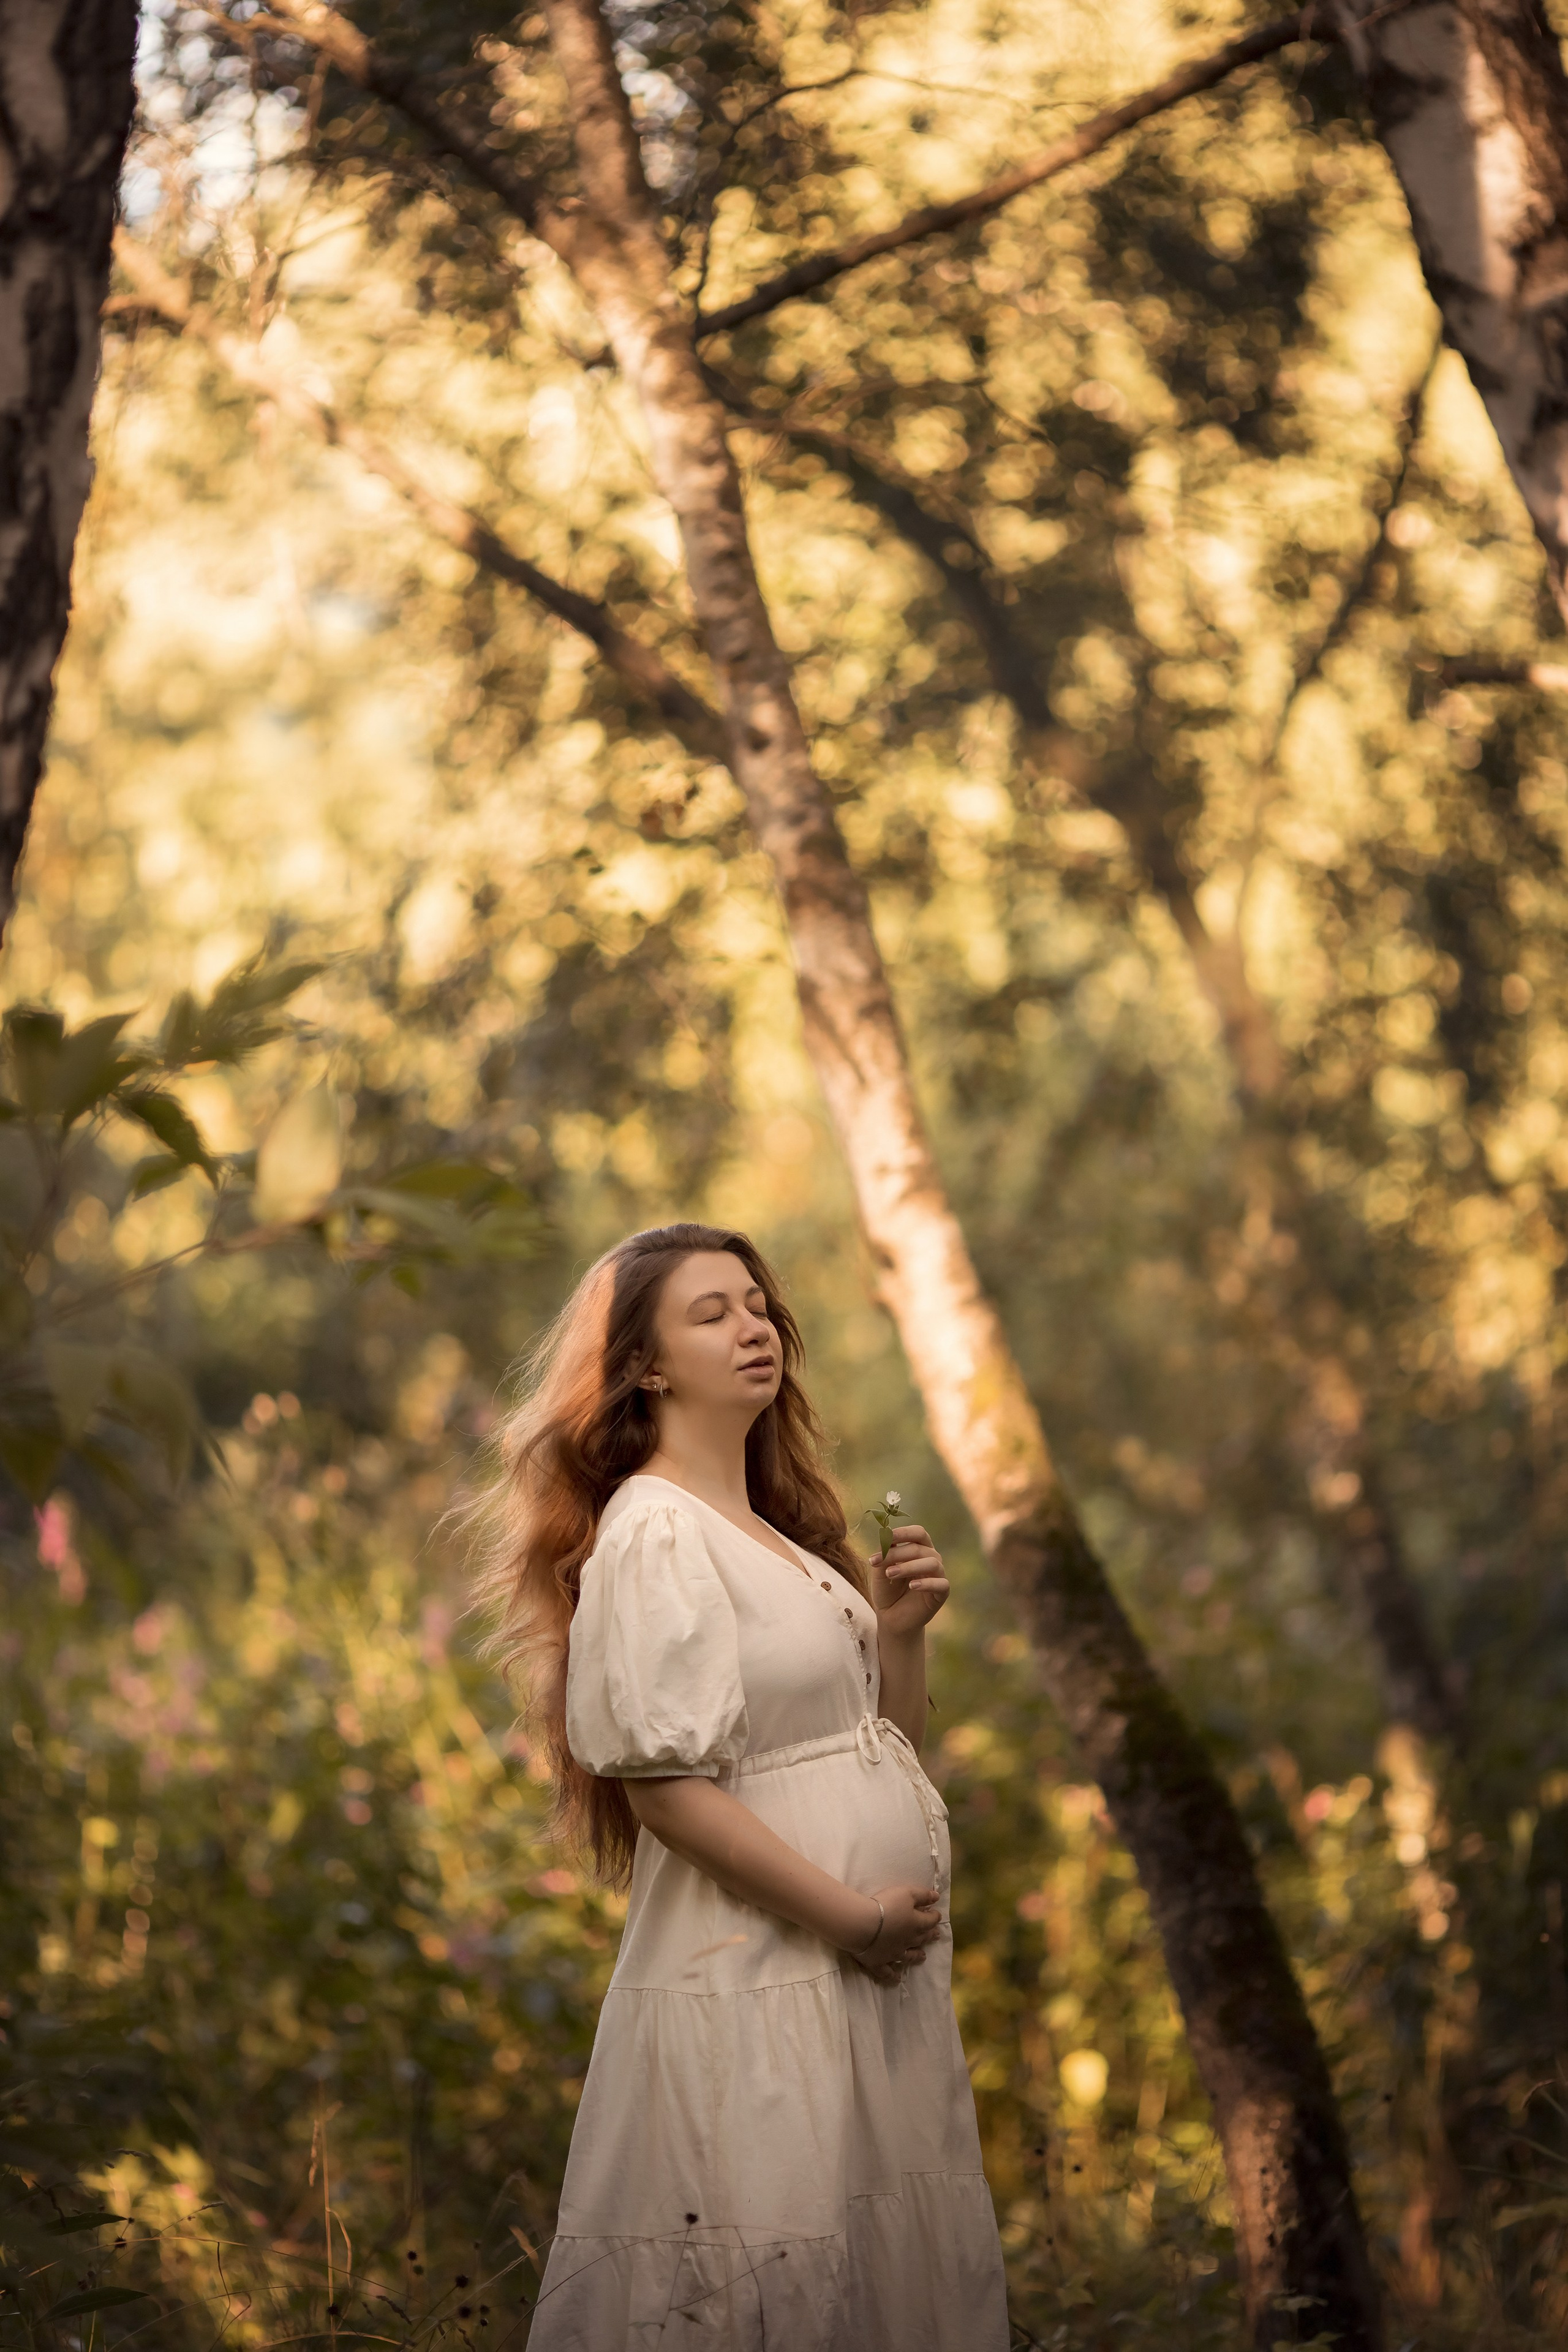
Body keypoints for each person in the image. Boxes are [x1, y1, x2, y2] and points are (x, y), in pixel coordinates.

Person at [473, 1221, 1008, 2350]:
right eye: (710, 1313)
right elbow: (666, 1789)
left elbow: (875, 1750)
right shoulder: (656, 1530)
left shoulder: (775, 1536)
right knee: (761, 2272)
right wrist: (854, 1917)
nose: (751, 1326)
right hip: (762, 1973)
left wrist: (898, 1636)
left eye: (757, 1304)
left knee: (861, 2275)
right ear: (647, 1366)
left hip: (855, 1983)